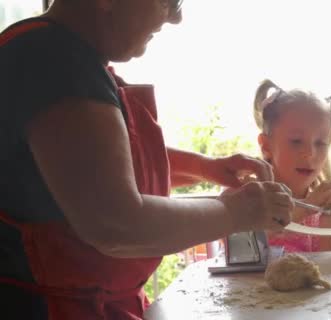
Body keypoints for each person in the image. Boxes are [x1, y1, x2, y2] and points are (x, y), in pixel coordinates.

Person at [0, 1, 294, 319]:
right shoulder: (54, 60)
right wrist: (238, 212)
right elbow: (117, 224)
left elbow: (95, 164)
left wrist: (203, 167)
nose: (176, 16)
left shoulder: (52, 51)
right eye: (169, 0)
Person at [253, 79, 331, 252]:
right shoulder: (246, 197)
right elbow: (245, 240)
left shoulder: (327, 209)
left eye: (321, 143)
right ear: (266, 146)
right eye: (296, 141)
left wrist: (327, 229)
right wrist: (306, 208)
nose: (309, 153)